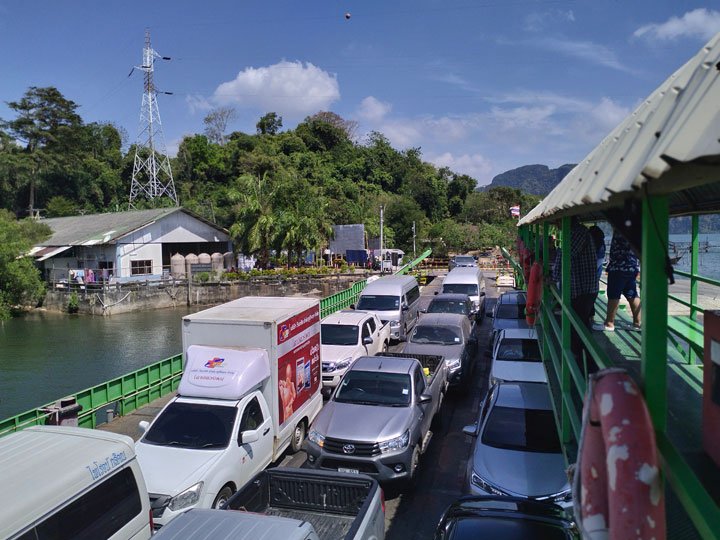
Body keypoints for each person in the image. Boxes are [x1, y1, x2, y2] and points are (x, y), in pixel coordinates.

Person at [552, 217, 599, 371]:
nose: (556, 225)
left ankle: (587, 364)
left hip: (583, 289)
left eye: (557, 222)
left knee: (579, 327)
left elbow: (565, 255)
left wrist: (553, 277)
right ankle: (582, 360)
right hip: (579, 288)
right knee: (578, 325)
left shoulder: (578, 233)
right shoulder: (576, 233)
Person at [594, 232, 640, 332]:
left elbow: (617, 252)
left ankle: (609, 323)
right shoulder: (635, 231)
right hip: (631, 267)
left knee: (613, 295)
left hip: (618, 268)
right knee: (632, 295)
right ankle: (637, 323)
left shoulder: (621, 230)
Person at [587, 225, 606, 325]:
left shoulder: (594, 243)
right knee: (593, 289)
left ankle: (590, 315)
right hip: (598, 265)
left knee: (589, 290)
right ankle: (591, 316)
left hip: (593, 267)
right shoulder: (601, 243)